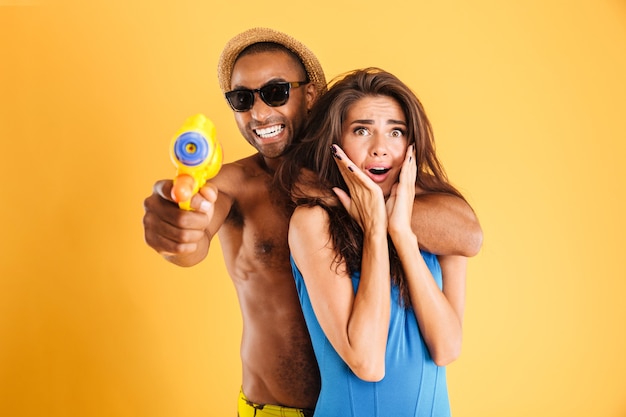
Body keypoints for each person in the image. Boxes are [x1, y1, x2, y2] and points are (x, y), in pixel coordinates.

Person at [143, 28, 482, 417]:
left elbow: (467, 235)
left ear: (310, 95)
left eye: (275, 93)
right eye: (241, 99)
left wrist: (362, 204)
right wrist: (173, 229)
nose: (259, 113)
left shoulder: (370, 175)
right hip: (276, 409)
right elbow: (192, 238)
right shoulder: (237, 187)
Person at [278, 67, 472, 417]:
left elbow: (447, 349)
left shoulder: (442, 227)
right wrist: (374, 231)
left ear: (411, 144)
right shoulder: (312, 222)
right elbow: (367, 362)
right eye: (362, 130)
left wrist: (400, 232)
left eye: (395, 132)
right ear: (335, 141)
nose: (380, 149)